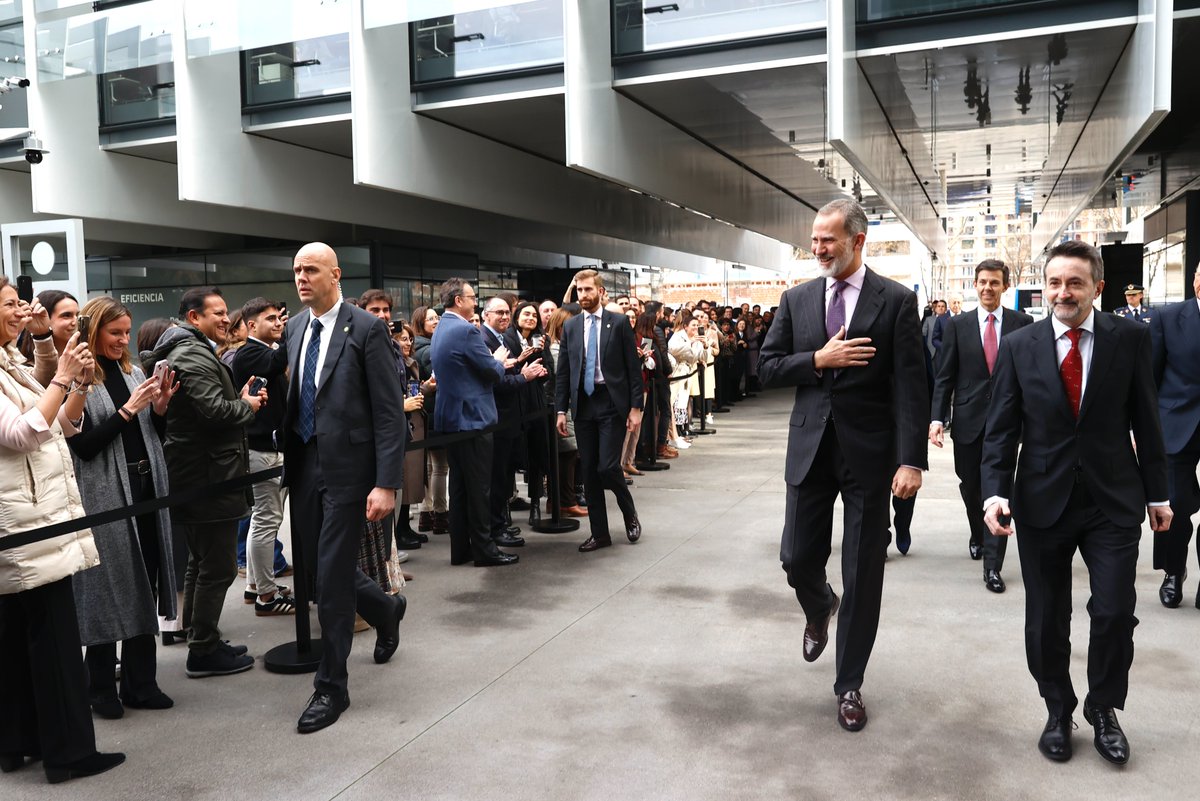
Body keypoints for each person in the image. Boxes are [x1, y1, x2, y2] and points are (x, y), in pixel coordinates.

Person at [981, 240, 1171, 765]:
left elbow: (1147, 423)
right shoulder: (1022, 346)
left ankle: (1104, 708)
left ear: (1098, 288)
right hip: (1042, 500)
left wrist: (1158, 493)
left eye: (1075, 283)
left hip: (1112, 499)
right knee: (1046, 617)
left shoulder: (1130, 339)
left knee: (1114, 611)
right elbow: (1001, 429)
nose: (1063, 293)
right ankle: (1058, 708)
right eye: (1055, 283)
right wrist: (995, 494)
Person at [757, 198, 928, 733]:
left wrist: (911, 459)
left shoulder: (896, 301)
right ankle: (818, 602)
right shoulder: (797, 299)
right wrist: (816, 361)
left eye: (827, 239)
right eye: (814, 239)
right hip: (810, 449)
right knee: (794, 556)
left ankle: (849, 683)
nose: (817, 248)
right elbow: (764, 367)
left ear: (858, 241)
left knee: (864, 572)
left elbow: (910, 384)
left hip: (869, 457)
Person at [0, 276, 126, 784]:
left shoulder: (9, 360)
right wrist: (62, 382)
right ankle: (70, 754)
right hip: (26, 524)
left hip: (26, 520)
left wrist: (47, 347)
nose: (20, 311)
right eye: (9, 305)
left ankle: (20, 743)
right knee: (53, 642)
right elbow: (23, 432)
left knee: (17, 640)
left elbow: (41, 385)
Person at [282, 244, 408, 733]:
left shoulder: (367, 327)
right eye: (296, 271)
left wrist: (386, 482)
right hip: (306, 462)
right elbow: (299, 396)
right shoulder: (294, 328)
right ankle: (385, 606)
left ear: (335, 275)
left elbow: (388, 411)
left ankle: (331, 686)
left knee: (331, 580)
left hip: (352, 472)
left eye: (310, 270)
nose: (302, 278)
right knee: (316, 568)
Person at [68, 297, 179, 719]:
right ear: (93, 331)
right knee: (105, 587)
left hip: (147, 488)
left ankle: (141, 683)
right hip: (105, 496)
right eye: (115, 333)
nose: (123, 340)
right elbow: (82, 446)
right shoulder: (78, 378)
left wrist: (161, 408)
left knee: (144, 582)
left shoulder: (134, 372)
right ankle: (99, 688)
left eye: (126, 332)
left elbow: (152, 432)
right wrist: (130, 410)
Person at [145, 287, 263, 679]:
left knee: (200, 562)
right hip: (210, 476)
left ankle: (200, 635)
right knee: (219, 567)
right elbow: (214, 412)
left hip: (203, 473)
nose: (226, 319)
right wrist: (246, 406)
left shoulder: (192, 349)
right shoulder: (191, 353)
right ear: (194, 318)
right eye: (218, 312)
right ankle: (204, 649)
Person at [929, 260, 1033, 591]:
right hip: (968, 421)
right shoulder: (957, 326)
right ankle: (978, 530)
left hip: (1006, 421)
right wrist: (936, 417)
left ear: (1005, 287)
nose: (988, 288)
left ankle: (993, 565)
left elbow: (1031, 378)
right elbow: (945, 376)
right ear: (975, 285)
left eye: (995, 283)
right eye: (983, 282)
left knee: (1000, 489)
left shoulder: (1023, 323)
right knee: (971, 484)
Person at [429, 278, 519, 567]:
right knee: (479, 488)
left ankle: (461, 549)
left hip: (452, 419)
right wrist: (499, 358)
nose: (474, 302)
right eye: (471, 297)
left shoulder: (442, 327)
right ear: (458, 301)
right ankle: (485, 550)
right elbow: (492, 371)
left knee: (459, 488)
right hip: (472, 419)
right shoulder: (467, 330)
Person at [555, 268, 644, 552]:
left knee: (607, 467)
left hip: (610, 402)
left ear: (600, 292)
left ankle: (628, 511)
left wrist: (635, 408)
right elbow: (564, 372)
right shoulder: (570, 327)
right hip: (583, 406)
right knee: (590, 472)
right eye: (579, 291)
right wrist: (560, 410)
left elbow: (633, 369)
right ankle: (600, 533)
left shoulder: (618, 323)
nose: (583, 295)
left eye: (588, 290)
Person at [230, 297, 295, 616]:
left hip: (269, 448)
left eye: (280, 319)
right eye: (272, 319)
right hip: (262, 450)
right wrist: (293, 331)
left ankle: (256, 586)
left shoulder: (261, 351)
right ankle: (266, 596)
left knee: (265, 520)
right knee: (266, 521)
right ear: (252, 325)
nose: (279, 323)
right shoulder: (250, 352)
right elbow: (276, 361)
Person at [1149, 268, 1200, 608]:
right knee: (1177, 507)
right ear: (1196, 281)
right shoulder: (1168, 318)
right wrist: (1142, 429)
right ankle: (1173, 571)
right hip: (1177, 426)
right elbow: (1149, 379)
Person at [481, 297, 545, 546]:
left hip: (509, 418)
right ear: (486, 315)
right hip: (498, 417)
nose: (505, 317)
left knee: (503, 475)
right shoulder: (485, 339)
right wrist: (523, 376)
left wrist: (518, 366)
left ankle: (500, 525)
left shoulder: (498, 338)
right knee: (497, 477)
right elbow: (495, 383)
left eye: (508, 312)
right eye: (500, 312)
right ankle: (496, 529)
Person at [505, 300, 553, 525]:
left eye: (534, 315)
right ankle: (505, 507)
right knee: (510, 457)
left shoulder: (542, 339)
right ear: (517, 317)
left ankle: (536, 504)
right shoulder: (507, 338)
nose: (531, 318)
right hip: (514, 400)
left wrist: (540, 360)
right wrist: (522, 361)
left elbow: (550, 371)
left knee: (537, 453)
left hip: (535, 402)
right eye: (526, 314)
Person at [545, 307, 586, 517]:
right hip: (561, 408)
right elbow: (566, 378)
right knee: (567, 455)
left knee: (567, 455)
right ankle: (565, 502)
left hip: (566, 407)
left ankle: (560, 501)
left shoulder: (561, 347)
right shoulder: (556, 349)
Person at [411, 305, 448, 536]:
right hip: (433, 411)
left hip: (424, 413)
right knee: (440, 467)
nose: (436, 321)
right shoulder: (429, 349)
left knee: (428, 467)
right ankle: (441, 514)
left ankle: (426, 513)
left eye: (437, 317)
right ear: (420, 323)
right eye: (430, 319)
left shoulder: (418, 346)